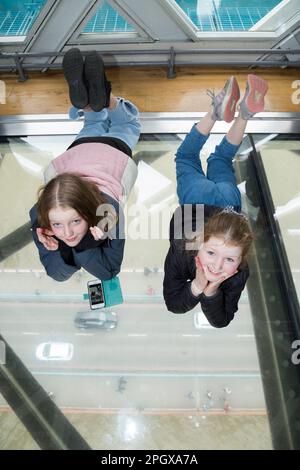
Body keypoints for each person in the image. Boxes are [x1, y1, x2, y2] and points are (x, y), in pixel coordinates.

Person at [163, 74, 268, 327]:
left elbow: (214, 317)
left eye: (214, 254)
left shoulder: (239, 271)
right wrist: (203, 289)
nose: (217, 266)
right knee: (186, 157)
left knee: (221, 159)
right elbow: (214, 319)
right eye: (228, 259)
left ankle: (244, 115)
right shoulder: (183, 249)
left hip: (230, 204)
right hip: (197, 200)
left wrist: (203, 286)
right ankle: (215, 112)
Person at [29, 48, 141, 281]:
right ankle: (89, 103)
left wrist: (79, 244)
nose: (67, 233)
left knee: (127, 126)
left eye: (69, 223)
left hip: (112, 153)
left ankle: (106, 99)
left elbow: (106, 270)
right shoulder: (41, 214)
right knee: (92, 125)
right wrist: (61, 241)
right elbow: (57, 271)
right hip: (78, 151)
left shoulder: (106, 212)